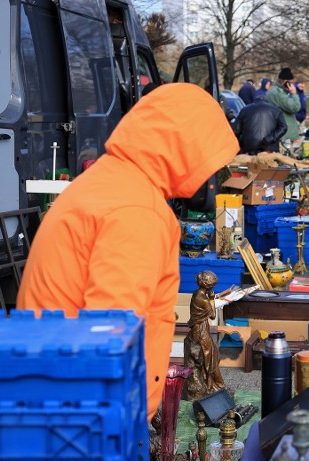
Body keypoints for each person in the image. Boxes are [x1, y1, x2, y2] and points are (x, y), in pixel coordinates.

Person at [16, 83, 240, 421]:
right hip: (75, 415)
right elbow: (109, 330)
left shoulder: (112, 183)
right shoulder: (135, 208)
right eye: (208, 160)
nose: (211, 175)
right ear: (181, 148)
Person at [183, 270, 227, 399]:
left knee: (209, 355)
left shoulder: (196, 293)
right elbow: (213, 315)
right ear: (209, 285)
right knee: (210, 356)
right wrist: (212, 300)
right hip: (201, 330)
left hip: (199, 327)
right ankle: (216, 385)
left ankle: (212, 383)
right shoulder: (203, 299)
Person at [268, 67, 302, 143]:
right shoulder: (279, 93)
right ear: (285, 82)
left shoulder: (273, 90)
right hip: (285, 134)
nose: (292, 85)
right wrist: (294, 93)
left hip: (280, 131)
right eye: (291, 83)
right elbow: (295, 107)